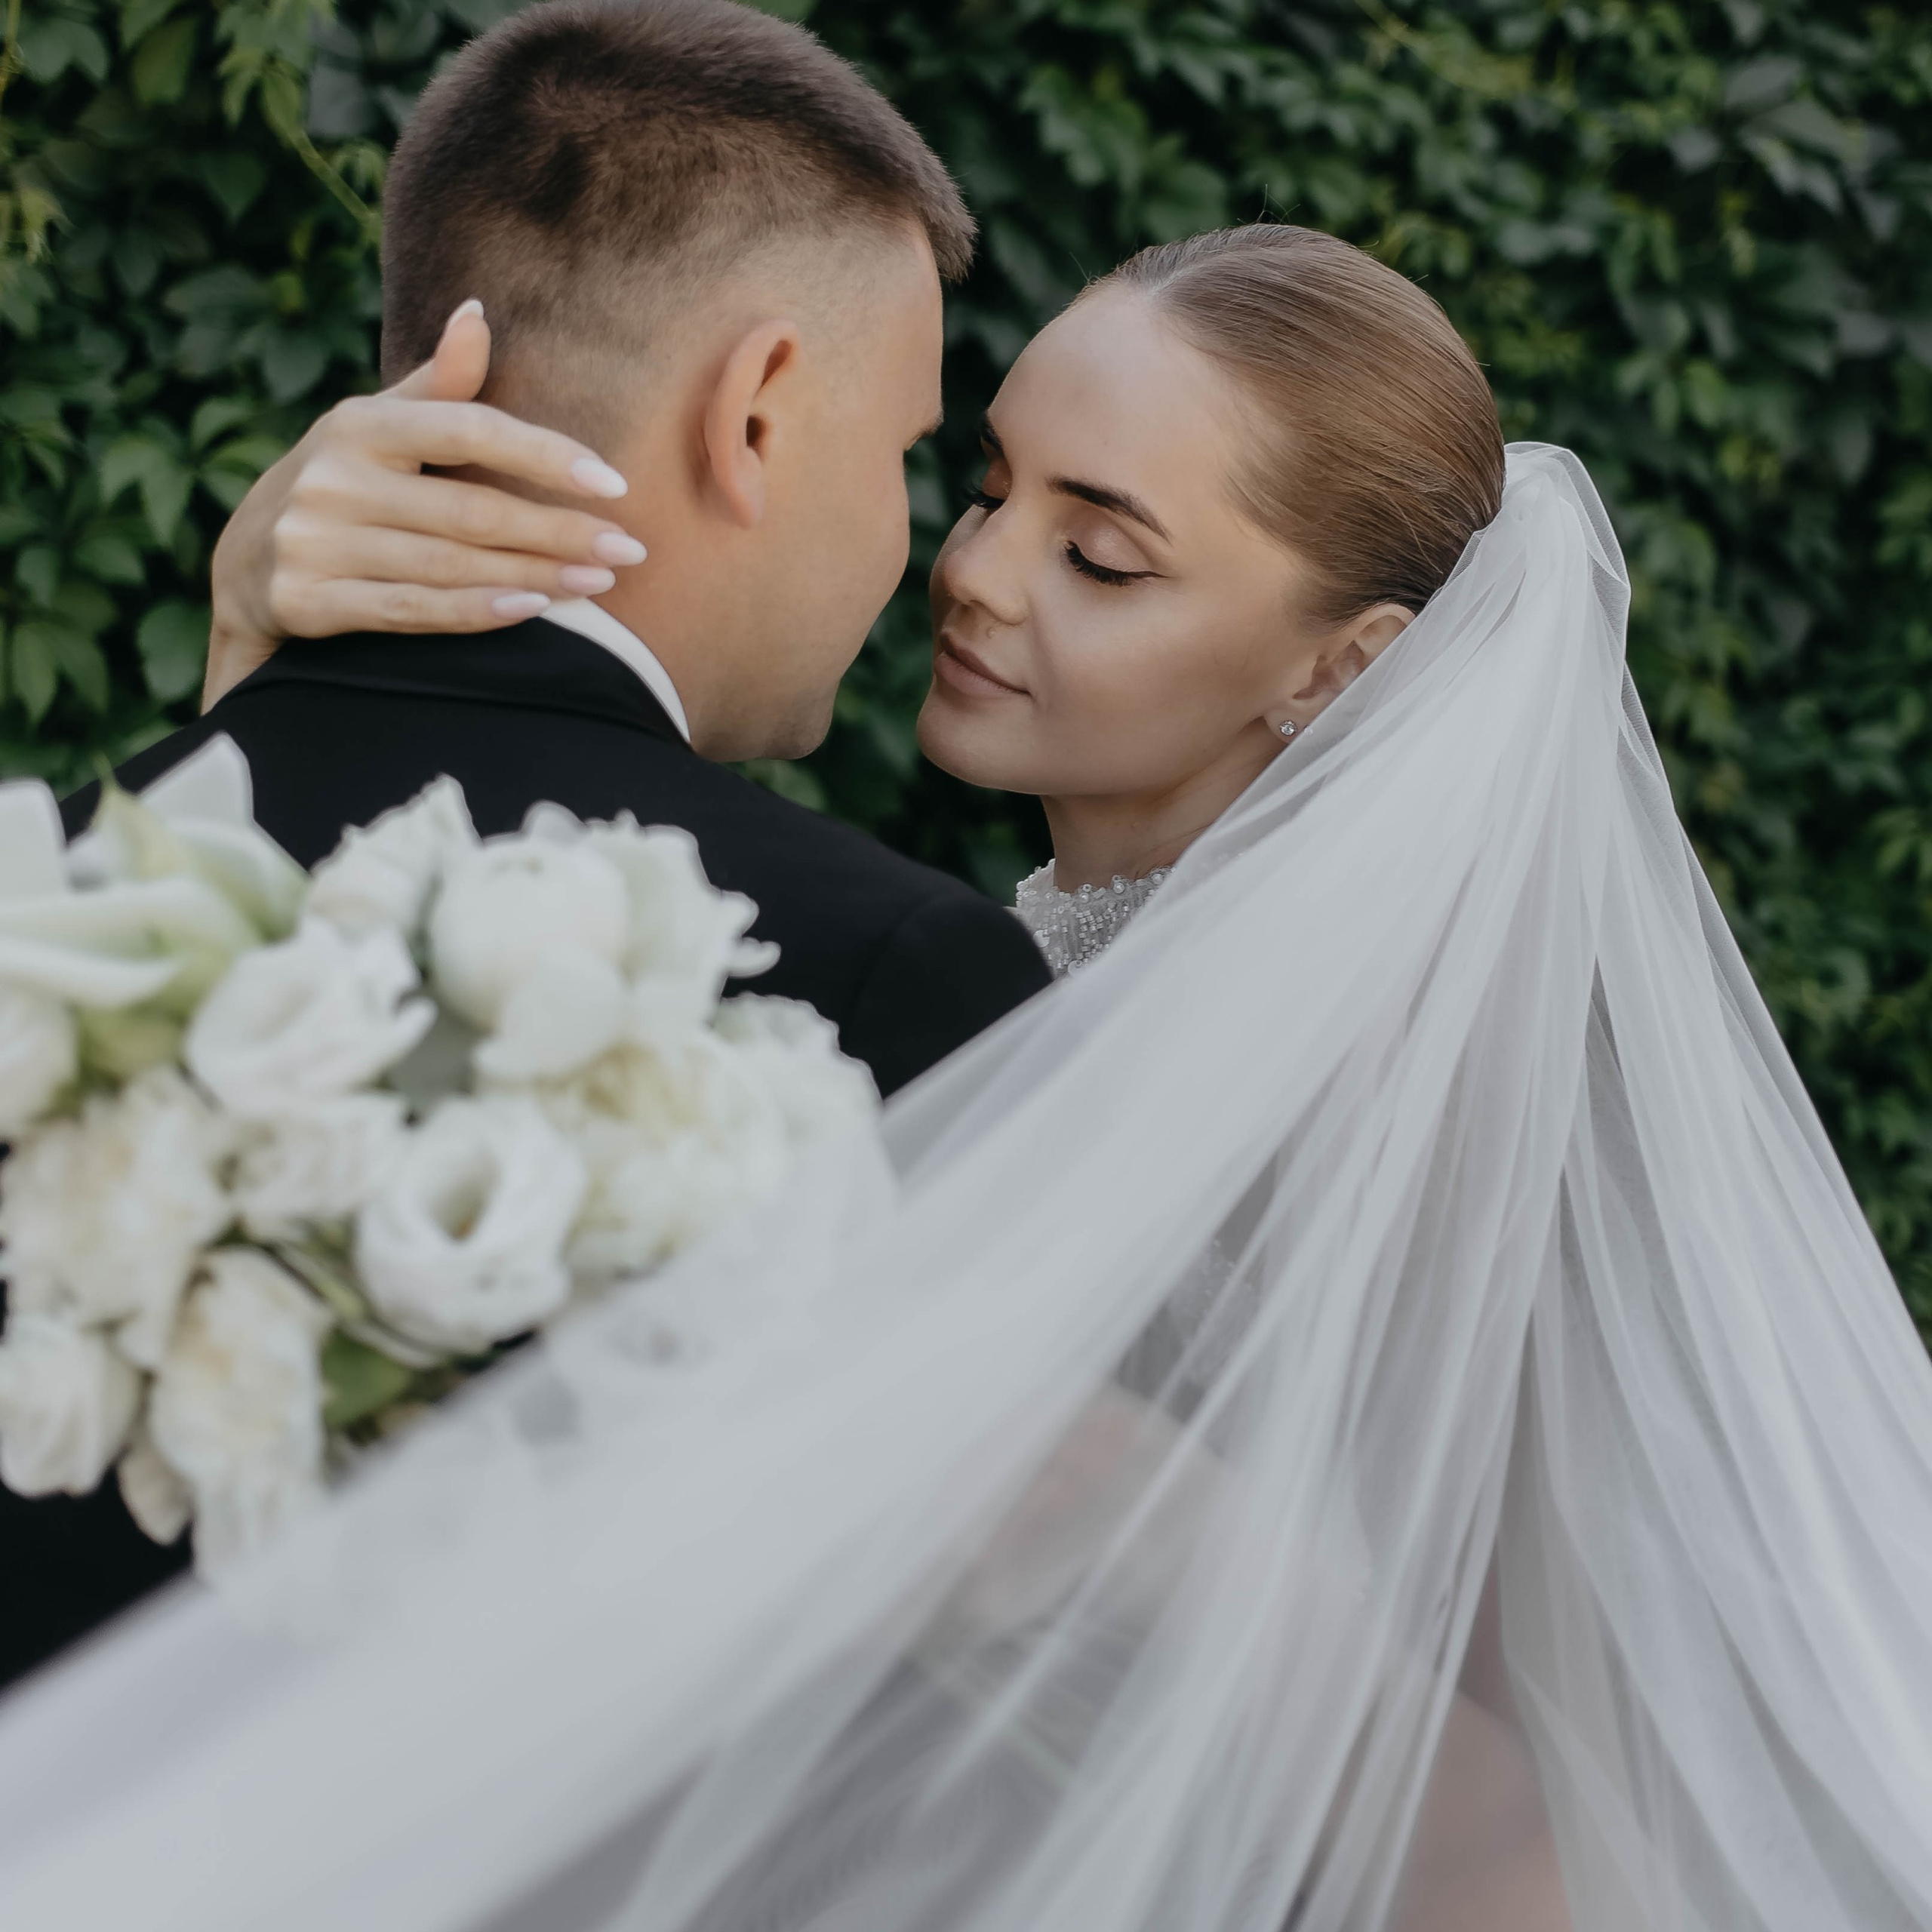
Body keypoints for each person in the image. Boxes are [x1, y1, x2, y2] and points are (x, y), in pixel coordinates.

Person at [9, 184, 1932, 1929]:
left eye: (1101, 556)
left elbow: (1496, 1815)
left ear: (1333, 670)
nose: (980, 571)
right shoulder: (997, 988)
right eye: (988, 480)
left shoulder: (1347, 1122)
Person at [5, 0, 1050, 1694]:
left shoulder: (47, 895)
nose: (913, 544)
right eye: (910, 451)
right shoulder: (888, 970)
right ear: (761, 412)